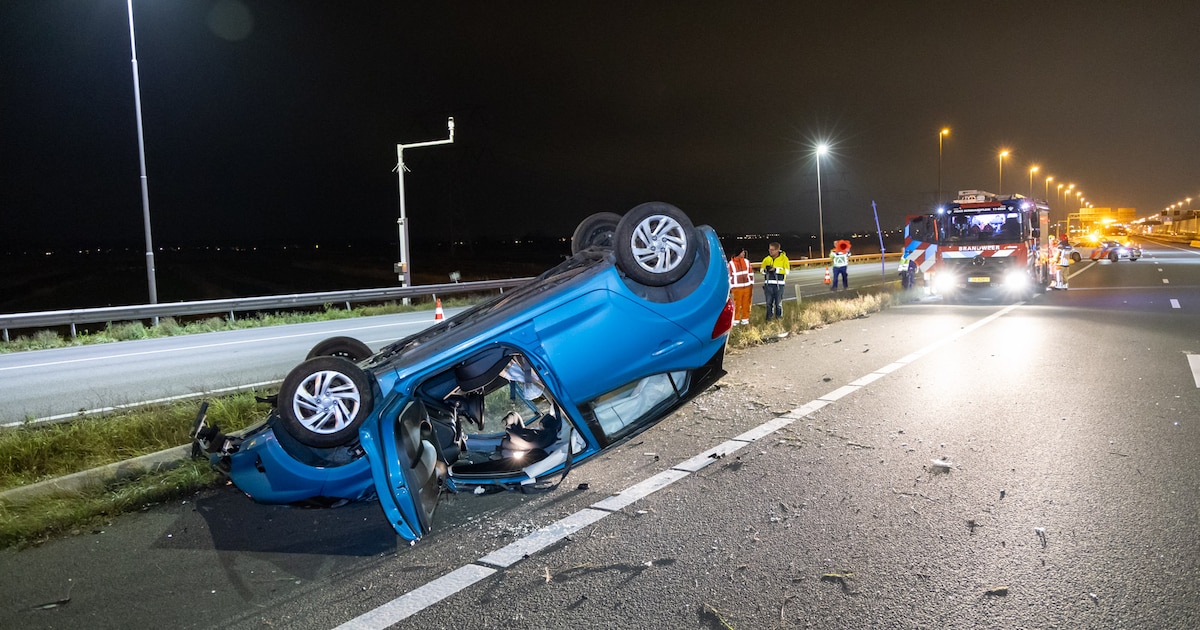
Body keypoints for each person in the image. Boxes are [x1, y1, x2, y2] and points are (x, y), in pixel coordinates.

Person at [760, 242, 789, 321]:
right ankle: (768, 319)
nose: (770, 251)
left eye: (772, 250)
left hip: (779, 285)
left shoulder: (784, 259)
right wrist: (766, 270)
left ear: (777, 250)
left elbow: (787, 271)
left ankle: (779, 319)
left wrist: (776, 269)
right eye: (769, 249)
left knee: (778, 304)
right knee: (769, 304)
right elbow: (761, 270)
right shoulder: (766, 259)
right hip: (768, 285)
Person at [727, 248, 753, 326]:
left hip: (747, 287)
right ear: (738, 253)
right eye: (742, 252)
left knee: (746, 304)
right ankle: (736, 320)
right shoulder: (731, 264)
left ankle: (745, 320)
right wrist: (731, 287)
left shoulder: (746, 262)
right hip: (736, 288)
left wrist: (751, 284)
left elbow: (751, 273)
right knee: (736, 305)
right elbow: (729, 276)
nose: (744, 254)